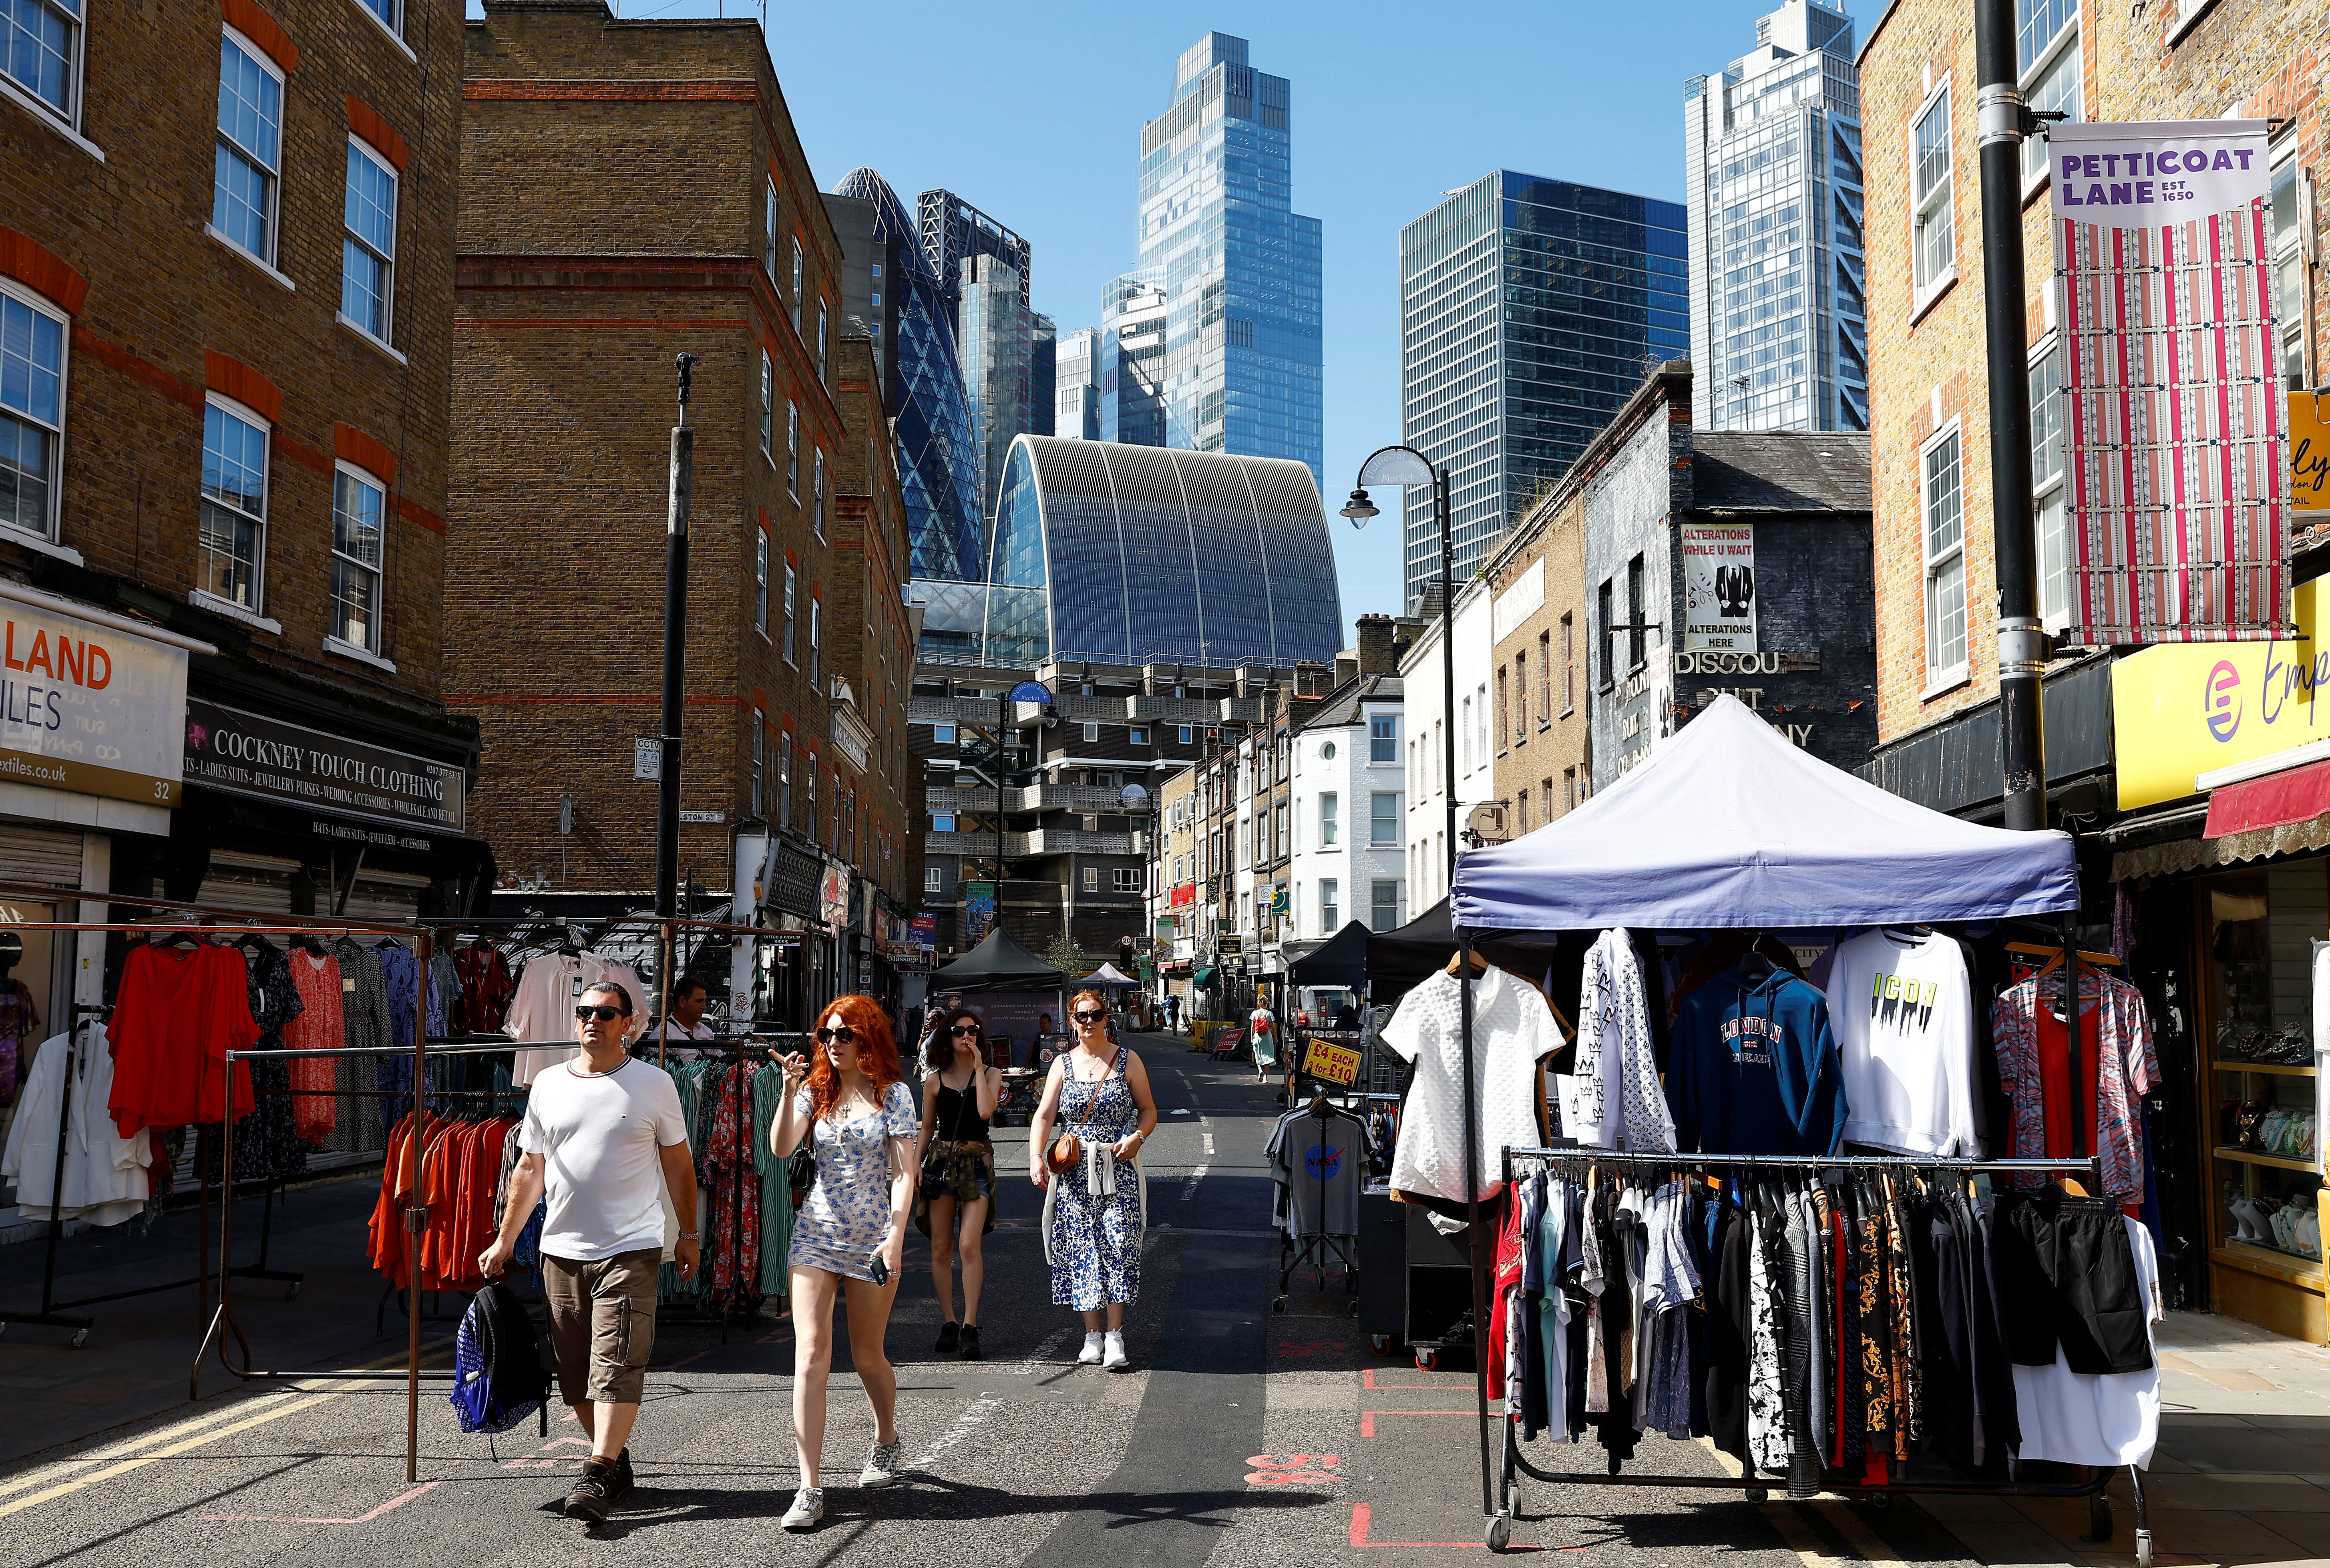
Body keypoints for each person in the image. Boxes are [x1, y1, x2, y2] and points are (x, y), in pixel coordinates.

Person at [480, 981, 698, 1526]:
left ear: (628, 1023)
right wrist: (506, 1239)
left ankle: (597, 1470)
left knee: (618, 1362)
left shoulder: (654, 1084)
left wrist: (688, 1234)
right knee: (574, 1375)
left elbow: (679, 1166)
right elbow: (530, 1169)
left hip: (631, 1248)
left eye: (605, 1013)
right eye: (584, 1013)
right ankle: (615, 1464)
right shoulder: (549, 1084)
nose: (592, 1021)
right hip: (560, 1250)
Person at [769, 995, 919, 1532]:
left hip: (874, 1240)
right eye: (826, 1034)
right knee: (809, 1355)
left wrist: (896, 1237)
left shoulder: (894, 1095)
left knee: (867, 1357)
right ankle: (809, 1487)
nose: (833, 1043)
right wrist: (788, 1094)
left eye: (844, 1034)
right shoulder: (814, 1091)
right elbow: (783, 1148)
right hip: (816, 1235)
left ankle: (885, 1437)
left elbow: (903, 1174)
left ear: (867, 1038)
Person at [1030, 988, 1158, 1371]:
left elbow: (1149, 1110)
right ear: (1072, 1021)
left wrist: (1137, 1137)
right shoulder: (1062, 1065)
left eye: (1096, 1015)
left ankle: (1115, 1336)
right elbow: (1044, 1114)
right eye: (1081, 1016)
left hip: (1118, 1168)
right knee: (1081, 1247)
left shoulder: (1128, 1061)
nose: (1089, 1022)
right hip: (1074, 1173)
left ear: (1107, 1019)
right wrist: (1036, 1157)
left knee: (1119, 1242)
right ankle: (1091, 1335)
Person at [913, 1008, 1001, 1359]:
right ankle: (948, 1321)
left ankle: (970, 1324)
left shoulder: (991, 1074)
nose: (967, 1036)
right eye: (959, 1031)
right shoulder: (934, 1080)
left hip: (976, 1162)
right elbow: (926, 1128)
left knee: (969, 1245)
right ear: (946, 1038)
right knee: (940, 1248)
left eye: (973, 1030)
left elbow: (984, 1112)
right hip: (942, 1162)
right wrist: (914, 1166)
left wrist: (979, 1067)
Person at [650, 975, 716, 1063]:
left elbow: (719, 1056)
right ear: (682, 1002)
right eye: (699, 1001)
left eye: (704, 1001)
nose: (704, 1007)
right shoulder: (663, 1035)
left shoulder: (706, 1031)